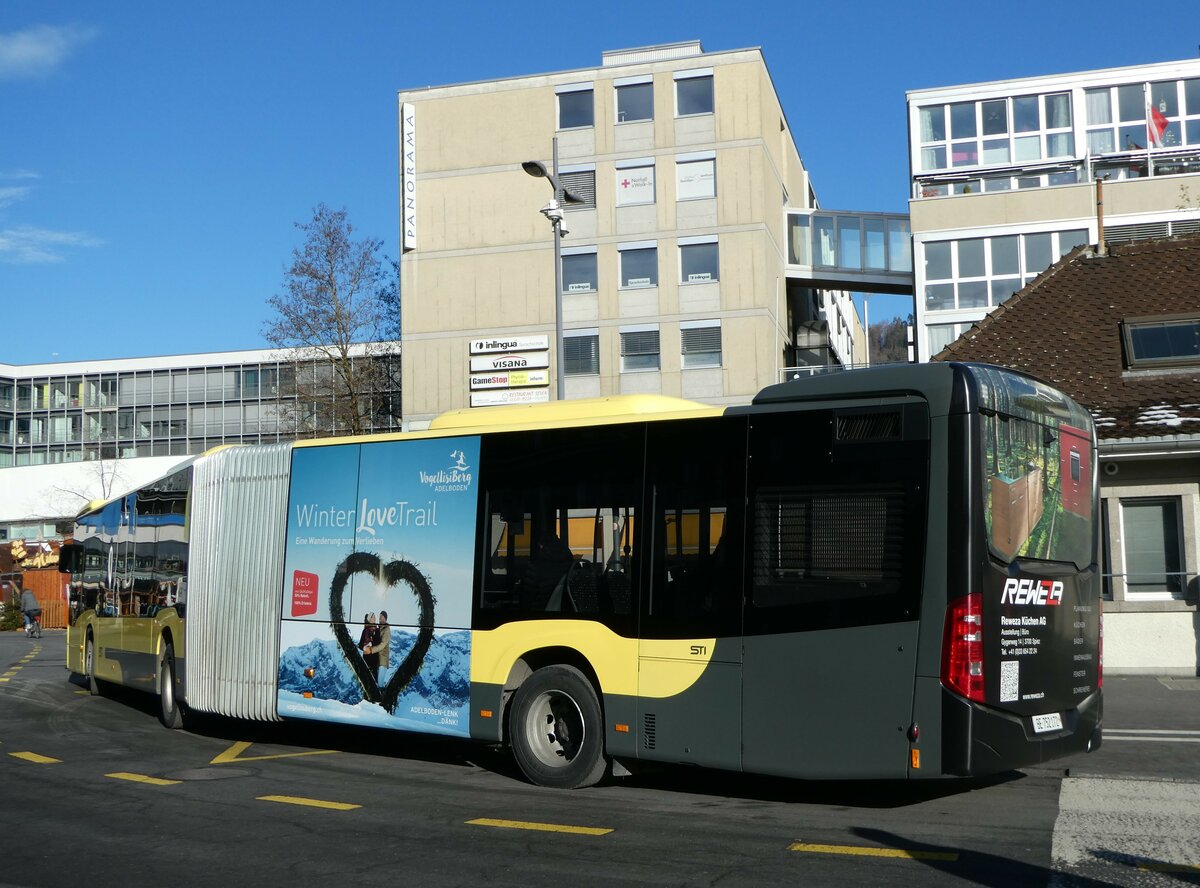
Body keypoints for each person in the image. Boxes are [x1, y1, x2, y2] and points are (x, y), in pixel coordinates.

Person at [358, 613, 380, 681]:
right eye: (373, 617)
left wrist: (372, 643)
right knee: (366, 677)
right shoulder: (365, 631)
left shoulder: (377, 630)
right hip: (367, 656)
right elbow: (360, 645)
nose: (375, 618)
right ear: (369, 619)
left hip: (375, 656)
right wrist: (364, 647)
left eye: (374, 617)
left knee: (374, 677)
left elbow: (379, 643)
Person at [374, 610, 391, 684]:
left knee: (380, 682)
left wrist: (371, 650)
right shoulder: (379, 629)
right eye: (380, 616)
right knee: (377, 682)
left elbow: (383, 644)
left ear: (385, 619)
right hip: (378, 660)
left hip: (383, 660)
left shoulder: (386, 629)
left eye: (383, 617)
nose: (381, 618)